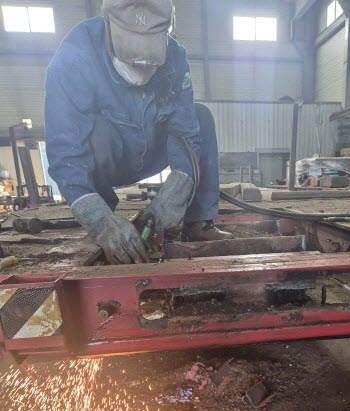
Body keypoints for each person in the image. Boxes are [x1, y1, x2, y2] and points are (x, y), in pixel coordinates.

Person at [45, 0, 232, 265]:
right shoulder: (75, 57)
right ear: (109, 25)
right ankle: (107, 223)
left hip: (152, 149)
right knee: (92, 135)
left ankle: (198, 222)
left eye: (149, 62)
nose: (142, 70)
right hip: (109, 157)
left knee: (201, 116)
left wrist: (173, 196)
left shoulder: (175, 56)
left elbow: (186, 131)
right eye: (132, 60)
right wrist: (98, 219)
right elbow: (65, 154)